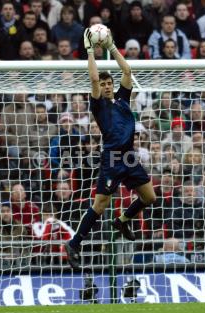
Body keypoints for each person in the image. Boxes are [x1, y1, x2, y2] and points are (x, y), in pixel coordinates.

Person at [65, 28, 156, 270]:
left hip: (129, 157)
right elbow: (93, 79)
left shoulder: (122, 100)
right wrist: (90, 51)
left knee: (149, 197)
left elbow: (127, 71)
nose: (105, 86)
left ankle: (123, 221)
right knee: (100, 204)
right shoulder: (99, 105)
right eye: (103, 83)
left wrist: (112, 47)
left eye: (108, 83)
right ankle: (74, 243)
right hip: (112, 158)